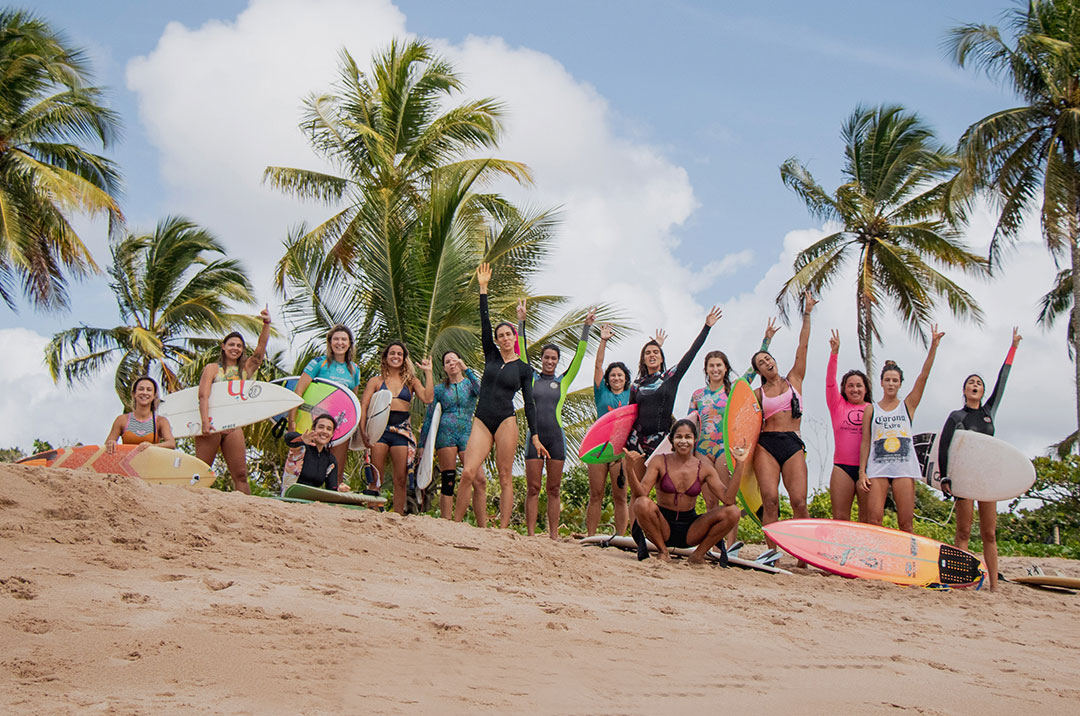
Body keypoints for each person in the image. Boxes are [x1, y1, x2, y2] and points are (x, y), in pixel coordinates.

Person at [458, 263, 546, 529]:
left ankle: (504, 528)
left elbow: (529, 404)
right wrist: (483, 289)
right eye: (501, 335)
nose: (504, 338)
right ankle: (454, 523)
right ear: (496, 340)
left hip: (506, 421)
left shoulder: (524, 368)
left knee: (505, 476)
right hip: (482, 419)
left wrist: (536, 435)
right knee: (469, 473)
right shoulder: (492, 356)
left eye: (509, 334)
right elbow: (484, 323)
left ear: (514, 338)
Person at [938, 328, 1021, 591]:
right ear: (964, 390)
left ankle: (995, 585)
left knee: (989, 534)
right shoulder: (956, 417)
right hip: (965, 478)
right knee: (962, 532)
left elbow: (1002, 381)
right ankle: (958, 580)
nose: (975, 385)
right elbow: (944, 447)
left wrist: (1013, 348)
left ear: (983, 391)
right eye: (971, 382)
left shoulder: (988, 412)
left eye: (979, 383)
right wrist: (944, 477)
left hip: (987, 479)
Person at [689, 318, 777, 549]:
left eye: (719, 365)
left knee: (728, 498)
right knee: (709, 499)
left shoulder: (735, 389)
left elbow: (753, 372)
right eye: (711, 365)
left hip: (724, 449)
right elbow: (691, 423)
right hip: (702, 449)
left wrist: (766, 341)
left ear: (725, 368)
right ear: (706, 369)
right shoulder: (698, 395)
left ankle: (731, 544)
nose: (716, 369)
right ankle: (713, 544)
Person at [623, 306, 723, 499]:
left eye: (656, 352)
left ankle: (662, 529)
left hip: (661, 441)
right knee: (637, 493)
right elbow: (630, 415)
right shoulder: (636, 385)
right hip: (637, 441)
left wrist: (706, 327)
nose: (652, 355)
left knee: (664, 491)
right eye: (648, 353)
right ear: (643, 359)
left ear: (662, 358)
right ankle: (635, 530)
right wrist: (624, 444)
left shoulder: (671, 377)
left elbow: (691, 353)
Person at [518, 301, 596, 539]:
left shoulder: (563, 381)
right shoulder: (531, 377)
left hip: (556, 438)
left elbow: (580, 357)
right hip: (534, 437)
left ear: (557, 361)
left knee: (554, 489)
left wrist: (586, 328)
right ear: (541, 359)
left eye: (554, 358)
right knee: (533, 488)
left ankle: (553, 535)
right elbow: (521, 351)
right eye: (547, 357)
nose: (550, 361)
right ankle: (531, 534)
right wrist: (521, 322)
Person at [858, 326, 944, 533]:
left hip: (904, 467)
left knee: (905, 523)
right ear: (881, 382)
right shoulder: (872, 409)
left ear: (900, 384)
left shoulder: (908, 405)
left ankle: (908, 563)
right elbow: (866, 441)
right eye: (887, 380)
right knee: (874, 520)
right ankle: (875, 561)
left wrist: (933, 346)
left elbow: (923, 376)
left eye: (895, 380)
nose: (891, 383)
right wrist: (862, 472)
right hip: (878, 467)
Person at [751, 292, 816, 555]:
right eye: (761, 363)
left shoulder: (794, 380)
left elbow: (803, 347)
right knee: (770, 501)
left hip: (792, 443)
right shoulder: (758, 394)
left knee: (799, 501)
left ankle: (804, 554)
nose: (767, 363)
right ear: (759, 371)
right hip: (766, 445)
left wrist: (807, 314)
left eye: (768, 359)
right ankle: (772, 553)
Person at [632, 419, 742, 564]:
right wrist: (629, 468)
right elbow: (641, 493)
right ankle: (663, 551)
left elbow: (728, 500)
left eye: (688, 437)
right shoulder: (659, 461)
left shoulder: (704, 468)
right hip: (662, 527)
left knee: (733, 511)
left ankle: (698, 555)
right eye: (679, 437)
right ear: (671, 440)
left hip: (691, 530)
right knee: (641, 503)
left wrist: (740, 464)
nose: (683, 441)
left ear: (694, 440)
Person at [194, 308, 272, 494]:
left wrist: (267, 324)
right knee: (201, 471)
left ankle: (247, 510)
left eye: (239, 346)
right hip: (211, 425)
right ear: (223, 346)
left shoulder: (244, 371)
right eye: (232, 344)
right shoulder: (213, 368)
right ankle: (192, 507)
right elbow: (203, 395)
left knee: (241, 474)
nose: (235, 348)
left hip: (232, 426)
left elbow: (260, 352)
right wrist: (205, 422)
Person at [360, 342, 434, 515]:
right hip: (380, 430)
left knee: (400, 478)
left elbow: (427, 398)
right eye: (392, 353)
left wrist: (428, 373)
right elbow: (364, 406)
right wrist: (363, 431)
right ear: (386, 357)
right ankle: (372, 510)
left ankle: (398, 515)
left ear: (404, 358)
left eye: (399, 354)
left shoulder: (411, 381)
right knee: (376, 474)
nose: (396, 356)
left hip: (401, 431)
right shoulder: (376, 381)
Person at [288, 324, 362, 479]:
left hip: (340, 425)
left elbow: (352, 403)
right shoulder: (318, 363)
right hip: (314, 421)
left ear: (349, 344)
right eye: (336, 339)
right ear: (330, 342)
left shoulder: (354, 370)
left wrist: (353, 428)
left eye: (343, 339)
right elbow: (299, 392)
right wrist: (292, 421)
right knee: (305, 465)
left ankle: (330, 497)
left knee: (336, 467)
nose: (339, 343)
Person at [419, 351, 484, 521]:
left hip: (467, 433)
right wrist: (422, 445)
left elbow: (482, 393)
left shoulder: (470, 384)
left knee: (478, 478)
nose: (451, 363)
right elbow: (429, 417)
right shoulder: (440, 389)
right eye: (447, 362)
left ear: (460, 362)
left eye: (454, 360)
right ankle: (447, 522)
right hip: (445, 434)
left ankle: (481, 524)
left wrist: (467, 370)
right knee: (448, 479)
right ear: (444, 368)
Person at [585, 324, 637, 536]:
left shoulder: (632, 395)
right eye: (613, 375)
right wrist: (603, 341)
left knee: (620, 496)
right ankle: (590, 536)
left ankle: (620, 537)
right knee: (595, 494)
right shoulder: (601, 392)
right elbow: (598, 366)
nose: (616, 378)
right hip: (598, 449)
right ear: (608, 379)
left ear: (626, 379)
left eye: (620, 375)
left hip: (620, 452)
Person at [825, 330, 871, 522]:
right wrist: (834, 354)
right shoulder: (837, 406)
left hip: (868, 469)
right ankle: (840, 553)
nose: (854, 389)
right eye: (850, 385)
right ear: (844, 389)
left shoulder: (872, 409)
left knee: (867, 519)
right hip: (842, 467)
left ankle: (866, 553)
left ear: (866, 389)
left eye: (859, 385)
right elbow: (829, 383)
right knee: (841, 518)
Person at [105, 376, 176, 453]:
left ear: (154, 395)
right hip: (127, 463)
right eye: (141, 389)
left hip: (150, 463)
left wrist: (152, 446)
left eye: (149, 390)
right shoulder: (122, 420)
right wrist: (111, 443)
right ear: (133, 394)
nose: (144, 392)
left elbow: (171, 443)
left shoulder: (160, 421)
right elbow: (107, 444)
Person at [283, 414, 347, 491]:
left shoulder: (330, 460)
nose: (324, 431)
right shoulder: (301, 447)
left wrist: (339, 489)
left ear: (332, 434)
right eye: (321, 427)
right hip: (290, 495)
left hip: (311, 499)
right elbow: (288, 438)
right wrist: (302, 438)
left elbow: (331, 488)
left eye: (329, 429)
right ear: (313, 429)